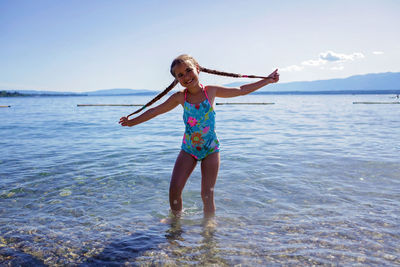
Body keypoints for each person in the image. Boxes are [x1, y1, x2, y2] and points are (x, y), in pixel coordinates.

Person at [119, 54, 279, 217]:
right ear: (177, 80)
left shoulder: (211, 91)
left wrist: (267, 80)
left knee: (207, 194)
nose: (186, 76)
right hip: (188, 149)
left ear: (198, 69)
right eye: (180, 75)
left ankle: (208, 228)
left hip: (211, 149)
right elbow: (155, 111)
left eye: (189, 70)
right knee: (174, 189)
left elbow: (241, 90)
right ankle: (175, 223)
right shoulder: (180, 97)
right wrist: (132, 122)